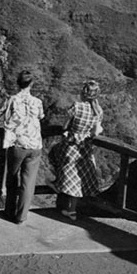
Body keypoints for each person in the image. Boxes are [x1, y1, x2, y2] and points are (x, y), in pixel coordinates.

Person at [0, 69, 44, 224]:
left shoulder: (11, 100)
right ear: (32, 84)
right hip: (35, 146)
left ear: (17, 83)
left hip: (17, 145)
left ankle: (9, 211)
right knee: (28, 183)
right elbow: (41, 117)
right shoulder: (38, 102)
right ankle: (21, 217)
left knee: (12, 179)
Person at [49, 79, 104, 220]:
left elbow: (65, 125)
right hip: (85, 148)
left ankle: (58, 184)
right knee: (77, 180)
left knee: (54, 154)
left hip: (71, 145)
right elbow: (95, 130)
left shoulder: (77, 106)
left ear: (83, 93)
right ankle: (71, 210)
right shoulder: (98, 111)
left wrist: (69, 130)